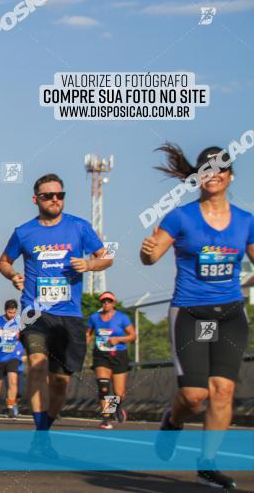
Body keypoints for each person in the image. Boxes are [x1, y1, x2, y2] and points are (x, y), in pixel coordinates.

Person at [141, 144, 253, 489]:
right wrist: (147, 251)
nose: (214, 174)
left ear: (230, 176)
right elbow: (151, 256)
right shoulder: (181, 217)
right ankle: (173, 420)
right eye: (207, 169)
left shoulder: (246, 221)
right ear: (198, 178)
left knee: (222, 390)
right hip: (193, 313)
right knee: (194, 396)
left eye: (221, 168)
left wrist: (245, 282)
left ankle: (207, 464)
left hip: (231, 313)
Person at [0, 173, 111, 457]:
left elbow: (106, 256)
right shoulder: (24, 232)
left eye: (60, 195)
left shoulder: (80, 227)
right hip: (35, 314)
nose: (55, 200)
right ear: (36, 199)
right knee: (37, 365)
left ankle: (44, 431)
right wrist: (12, 275)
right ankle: (42, 436)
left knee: (60, 383)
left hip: (69, 316)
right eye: (48, 196)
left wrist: (89, 264)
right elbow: (3, 261)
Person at [86, 291, 135, 429]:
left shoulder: (122, 318)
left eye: (109, 301)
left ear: (114, 303)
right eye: (104, 301)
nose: (106, 303)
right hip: (101, 355)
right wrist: (84, 343)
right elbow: (88, 334)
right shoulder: (95, 317)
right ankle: (106, 419)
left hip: (118, 355)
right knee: (104, 387)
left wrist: (118, 339)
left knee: (119, 393)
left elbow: (132, 336)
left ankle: (117, 407)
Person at [0, 299, 23, 420]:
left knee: (13, 381)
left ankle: (10, 407)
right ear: (5, 310)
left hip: (13, 356)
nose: (11, 315)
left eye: (14, 312)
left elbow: (25, 336)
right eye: (9, 312)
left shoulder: (19, 322)